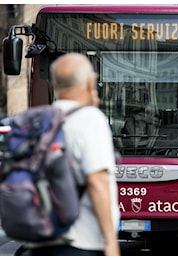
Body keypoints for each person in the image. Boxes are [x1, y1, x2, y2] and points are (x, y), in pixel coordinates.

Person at [23, 53, 120, 256]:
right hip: (80, 243)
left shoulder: (39, 121)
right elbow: (97, 181)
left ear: (54, 85)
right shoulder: (90, 119)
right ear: (89, 82)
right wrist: (111, 243)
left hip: (40, 242)